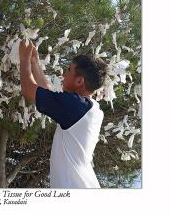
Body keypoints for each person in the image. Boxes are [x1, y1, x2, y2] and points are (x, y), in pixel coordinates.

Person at [19, 40, 107, 188]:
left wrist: (23, 59)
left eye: (69, 71)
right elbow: (48, 93)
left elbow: (28, 90)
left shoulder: (75, 106)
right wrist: (34, 62)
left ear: (79, 81)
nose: (64, 75)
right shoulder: (89, 107)